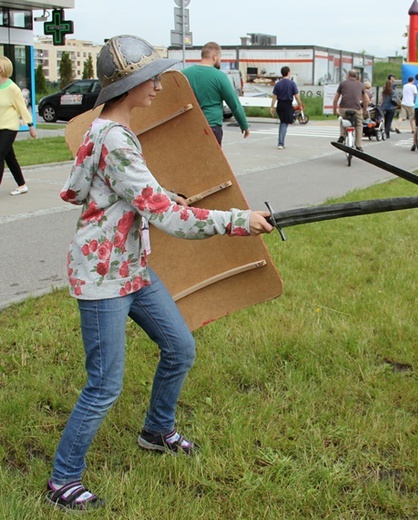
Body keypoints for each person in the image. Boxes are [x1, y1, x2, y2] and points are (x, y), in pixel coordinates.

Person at [46, 35, 273, 512]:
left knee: (179, 347)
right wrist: (238, 219)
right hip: (105, 276)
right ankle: (63, 479)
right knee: (104, 384)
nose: (157, 87)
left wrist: (160, 192)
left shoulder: (107, 131)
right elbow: (170, 219)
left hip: (132, 267)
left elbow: (113, 189)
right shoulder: (113, 138)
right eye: (150, 79)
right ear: (128, 86)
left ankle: (156, 430)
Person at [182, 41, 248, 145]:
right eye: (220, 57)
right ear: (214, 57)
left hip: (189, 126)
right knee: (212, 161)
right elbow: (234, 104)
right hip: (211, 126)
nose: (220, 61)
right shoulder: (220, 76)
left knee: (192, 160)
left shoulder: (184, 74)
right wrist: (244, 125)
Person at [0, 56, 37, 196]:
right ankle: (22, 185)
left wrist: (31, 126)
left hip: (9, 127)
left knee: (0, 155)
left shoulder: (12, 88)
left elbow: (23, 109)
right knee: (9, 157)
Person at [332, 69, 369, 151]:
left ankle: (342, 136)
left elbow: (335, 100)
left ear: (348, 75)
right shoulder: (361, 85)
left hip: (343, 108)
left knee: (342, 119)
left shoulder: (342, 84)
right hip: (356, 109)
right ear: (356, 76)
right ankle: (358, 145)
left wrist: (335, 111)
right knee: (359, 125)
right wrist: (364, 111)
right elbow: (366, 100)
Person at [270, 66, 302, 150]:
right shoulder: (292, 84)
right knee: (284, 123)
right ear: (288, 72)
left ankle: (281, 141)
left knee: (283, 122)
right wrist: (300, 105)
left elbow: (274, 96)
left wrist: (272, 107)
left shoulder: (278, 84)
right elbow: (297, 96)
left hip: (280, 104)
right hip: (287, 105)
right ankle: (280, 143)